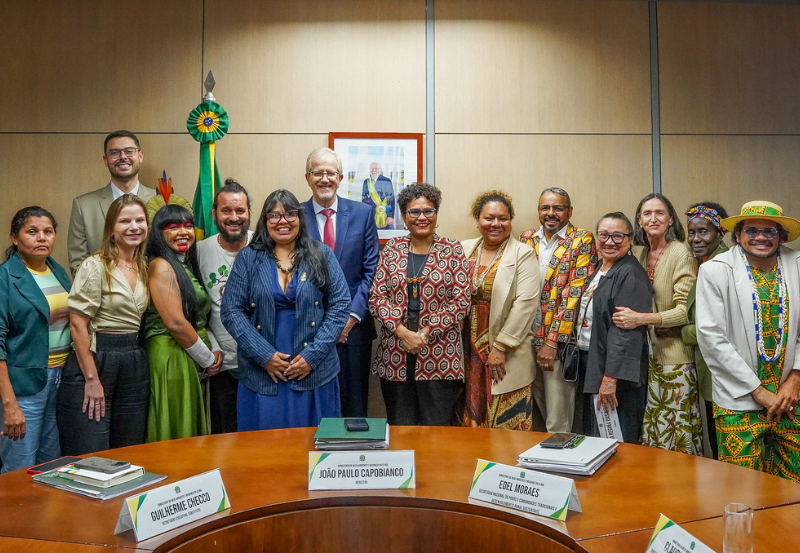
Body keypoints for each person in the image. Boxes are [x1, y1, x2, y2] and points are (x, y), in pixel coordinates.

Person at [221, 189, 350, 430]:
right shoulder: (249, 258)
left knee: (313, 449)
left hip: (314, 370)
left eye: (290, 214)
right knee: (265, 451)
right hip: (263, 373)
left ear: (300, 218)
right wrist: (264, 355)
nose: (283, 221)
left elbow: (340, 305)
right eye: (274, 215)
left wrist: (312, 356)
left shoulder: (322, 254)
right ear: (264, 221)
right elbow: (231, 311)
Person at [697, 201, 800, 482]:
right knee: (742, 488)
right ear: (738, 234)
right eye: (751, 230)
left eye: (770, 231)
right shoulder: (715, 270)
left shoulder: (798, 265)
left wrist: (795, 379)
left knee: (794, 484)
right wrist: (758, 392)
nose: (761, 237)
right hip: (738, 398)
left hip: (791, 398)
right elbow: (711, 338)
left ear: (781, 235)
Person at [370, 182, 470, 426]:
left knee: (436, 430)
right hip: (395, 355)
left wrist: (424, 333)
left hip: (440, 356)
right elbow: (376, 297)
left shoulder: (453, 250)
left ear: (436, 214)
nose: (422, 217)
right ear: (404, 216)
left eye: (429, 211)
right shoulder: (392, 249)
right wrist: (403, 333)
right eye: (414, 212)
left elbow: (461, 300)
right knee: (401, 427)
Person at [57, 195, 150, 455]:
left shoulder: (142, 266)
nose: (134, 227)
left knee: (128, 450)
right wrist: (92, 379)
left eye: (140, 220)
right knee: (91, 452)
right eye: (125, 221)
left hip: (133, 361)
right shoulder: (95, 265)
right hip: (96, 359)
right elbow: (77, 325)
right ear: (111, 228)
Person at [613, 193, 702, 454]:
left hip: (676, 358)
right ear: (639, 220)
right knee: (656, 427)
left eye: (660, 213)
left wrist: (640, 319)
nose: (653, 218)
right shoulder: (641, 254)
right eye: (647, 213)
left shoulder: (680, 252)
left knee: (678, 429)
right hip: (649, 357)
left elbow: (684, 311)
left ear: (670, 219)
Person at [300, 148, 379, 417]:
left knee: (353, 407)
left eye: (330, 172)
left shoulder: (362, 214)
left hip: (353, 332)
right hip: (306, 331)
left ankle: (354, 458)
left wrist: (352, 317)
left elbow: (372, 271)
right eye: (318, 173)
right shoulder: (293, 217)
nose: (325, 178)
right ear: (308, 177)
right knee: (314, 407)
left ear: (341, 177)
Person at [458, 191, 540, 430]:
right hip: (466, 349)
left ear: (510, 220)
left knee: (505, 423)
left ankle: (505, 467)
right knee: (470, 413)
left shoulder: (523, 253)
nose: (496, 224)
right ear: (478, 220)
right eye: (489, 218)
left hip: (506, 351)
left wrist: (501, 347)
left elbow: (525, 304)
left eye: (503, 219)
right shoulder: (464, 248)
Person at [519, 187, 597, 433]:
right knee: (533, 416)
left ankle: (562, 469)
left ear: (569, 211)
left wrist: (552, 343)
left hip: (558, 344)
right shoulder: (527, 238)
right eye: (545, 208)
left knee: (558, 419)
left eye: (558, 208)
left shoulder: (582, 240)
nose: (551, 213)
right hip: (525, 338)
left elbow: (573, 295)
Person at [0, 207, 70, 473]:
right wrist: (9, 404)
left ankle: (44, 517)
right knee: (19, 467)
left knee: (51, 465)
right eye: (32, 232)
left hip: (59, 380)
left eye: (48, 232)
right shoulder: (5, 277)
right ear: (15, 238)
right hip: (24, 387)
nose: (42, 238)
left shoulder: (56, 270)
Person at [144, 205, 223, 441]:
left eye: (188, 226)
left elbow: (197, 316)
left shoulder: (183, 265)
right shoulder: (160, 265)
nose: (183, 232)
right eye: (173, 227)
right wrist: (207, 359)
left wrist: (215, 347)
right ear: (159, 233)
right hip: (172, 358)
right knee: (177, 428)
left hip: (188, 356)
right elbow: (176, 323)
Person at [576, 213, 652, 443]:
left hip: (617, 373)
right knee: (597, 436)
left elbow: (625, 332)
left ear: (630, 239)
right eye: (604, 235)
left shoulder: (630, 273)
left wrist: (611, 378)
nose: (610, 242)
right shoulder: (602, 266)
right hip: (596, 362)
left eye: (618, 236)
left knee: (616, 437)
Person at [196, 178, 254, 434]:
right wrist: (212, 348)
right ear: (214, 214)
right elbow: (197, 311)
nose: (234, 217)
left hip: (262, 364)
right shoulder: (197, 252)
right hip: (222, 366)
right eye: (226, 210)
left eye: (240, 210)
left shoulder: (265, 246)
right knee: (225, 438)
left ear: (249, 212)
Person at [67, 130, 156, 276]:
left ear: (140, 156)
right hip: (103, 294)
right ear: (105, 160)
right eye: (114, 152)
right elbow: (78, 265)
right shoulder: (83, 206)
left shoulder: (162, 200)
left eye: (129, 151)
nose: (122, 157)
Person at [681, 202, 729, 459]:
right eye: (691, 232)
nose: (695, 239)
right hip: (709, 370)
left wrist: (680, 332)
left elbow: (719, 328)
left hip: (723, 371)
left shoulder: (722, 265)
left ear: (720, 233)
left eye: (704, 232)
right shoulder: (704, 262)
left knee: (724, 444)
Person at [362, 162, 395, 229]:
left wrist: (390, 216)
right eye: (372, 169)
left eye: (376, 168)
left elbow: (390, 199)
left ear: (381, 170)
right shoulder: (366, 182)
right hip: (370, 214)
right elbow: (364, 199)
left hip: (384, 214)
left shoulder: (386, 181)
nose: (374, 170)